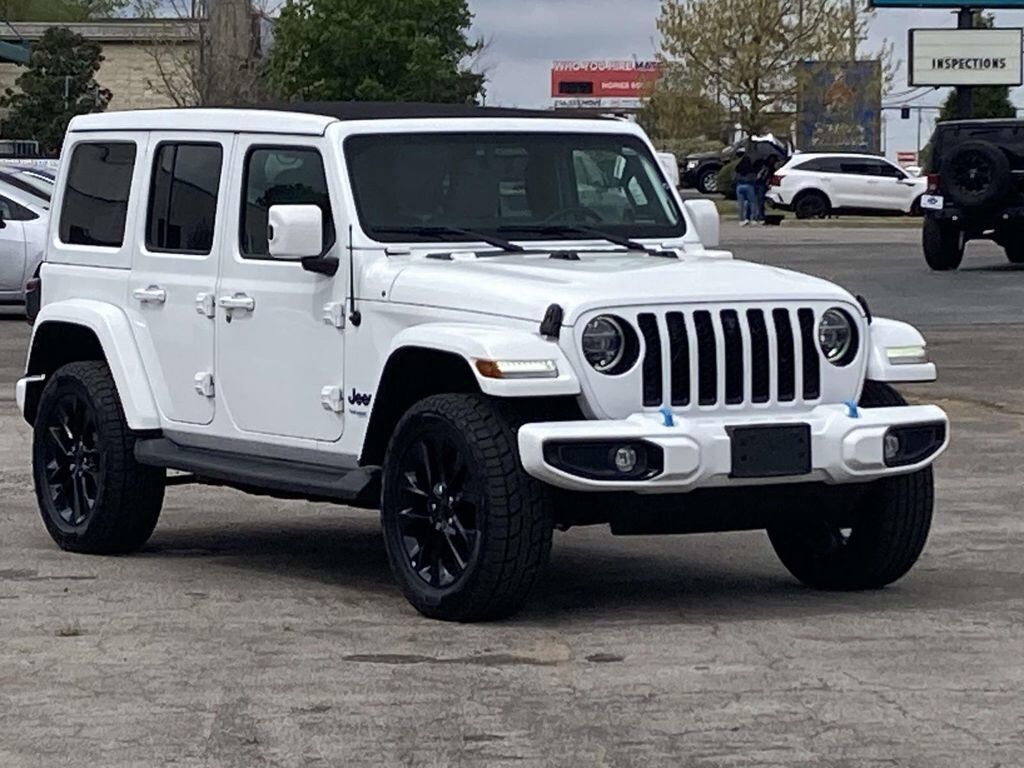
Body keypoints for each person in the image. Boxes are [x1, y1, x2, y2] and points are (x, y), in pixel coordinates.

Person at [734, 153, 760, 226]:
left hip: (739, 186)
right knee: (752, 202)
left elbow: (734, 178)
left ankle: (742, 219)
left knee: (741, 204)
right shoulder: (751, 169)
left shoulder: (738, 168)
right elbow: (754, 178)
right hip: (749, 186)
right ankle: (753, 219)